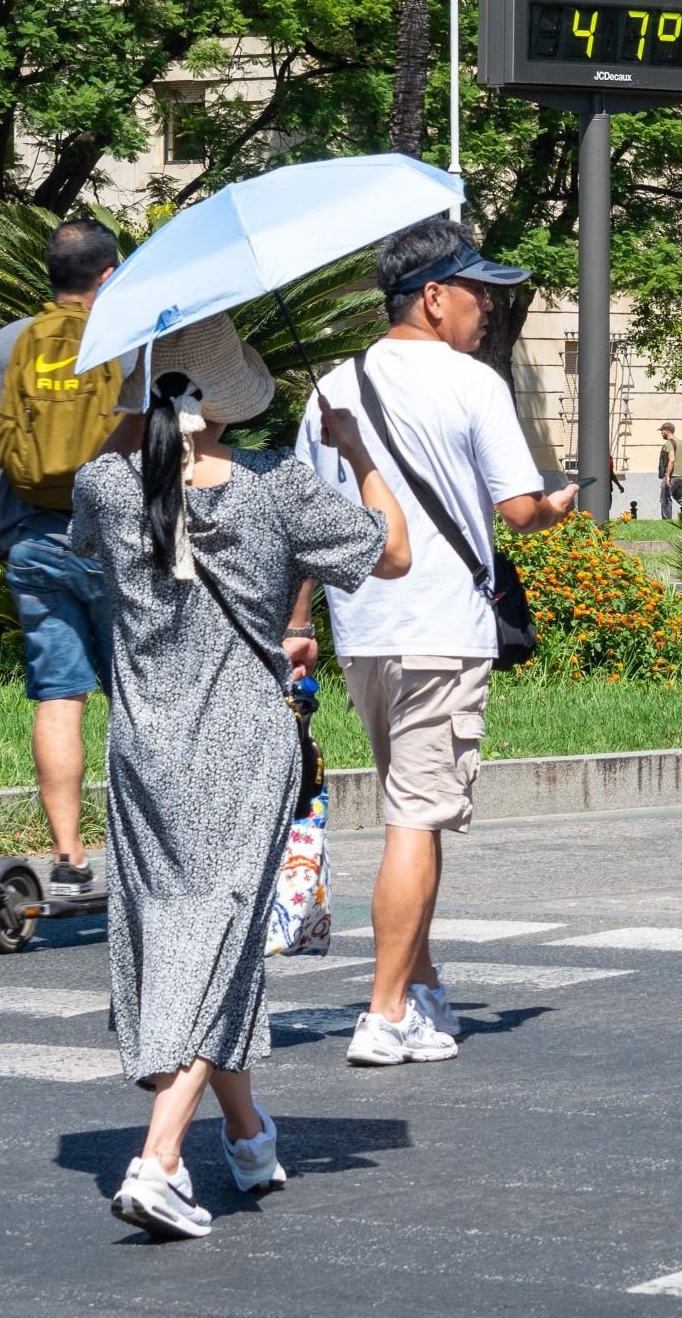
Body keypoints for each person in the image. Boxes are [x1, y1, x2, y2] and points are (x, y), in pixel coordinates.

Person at [70, 315, 411, 1238]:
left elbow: (93, 528)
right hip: (240, 741)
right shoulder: (275, 487)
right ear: (228, 404)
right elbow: (393, 551)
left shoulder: (106, 484)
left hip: (142, 744)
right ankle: (161, 1158)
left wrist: (132, 405)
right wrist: (360, 451)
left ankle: (249, 1135)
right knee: (217, 931)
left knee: (180, 925)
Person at [291, 217, 580, 1068]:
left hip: (366, 632)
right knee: (416, 820)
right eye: (476, 291)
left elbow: (306, 525)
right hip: (443, 631)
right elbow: (518, 509)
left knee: (410, 815)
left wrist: (298, 623)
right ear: (433, 296)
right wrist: (560, 500)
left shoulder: (330, 388)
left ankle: (418, 988)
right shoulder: (472, 384)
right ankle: (383, 1014)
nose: (486, 307)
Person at [0, 219, 120, 899]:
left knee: (59, 696)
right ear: (108, 274)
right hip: (113, 542)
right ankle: (148, 846)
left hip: (33, 540)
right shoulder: (127, 339)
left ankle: (68, 860)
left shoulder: (10, 343)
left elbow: (2, 435)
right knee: (143, 697)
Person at [657, 422, 682, 519]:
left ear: (667, 431)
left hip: (673, 476)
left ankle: (666, 522)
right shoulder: (681, 442)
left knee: (665, 498)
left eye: (662, 431)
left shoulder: (669, 443)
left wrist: (668, 476)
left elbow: (672, 459)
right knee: (679, 496)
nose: (661, 433)